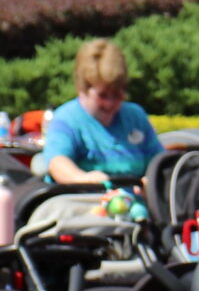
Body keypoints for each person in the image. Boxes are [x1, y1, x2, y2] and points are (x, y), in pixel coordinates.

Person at [40, 40, 163, 187]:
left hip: (135, 197)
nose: (110, 103)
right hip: (87, 197)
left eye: (117, 95)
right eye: (102, 95)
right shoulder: (67, 119)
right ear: (83, 89)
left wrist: (151, 183)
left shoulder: (135, 116)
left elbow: (160, 162)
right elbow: (57, 162)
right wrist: (82, 178)